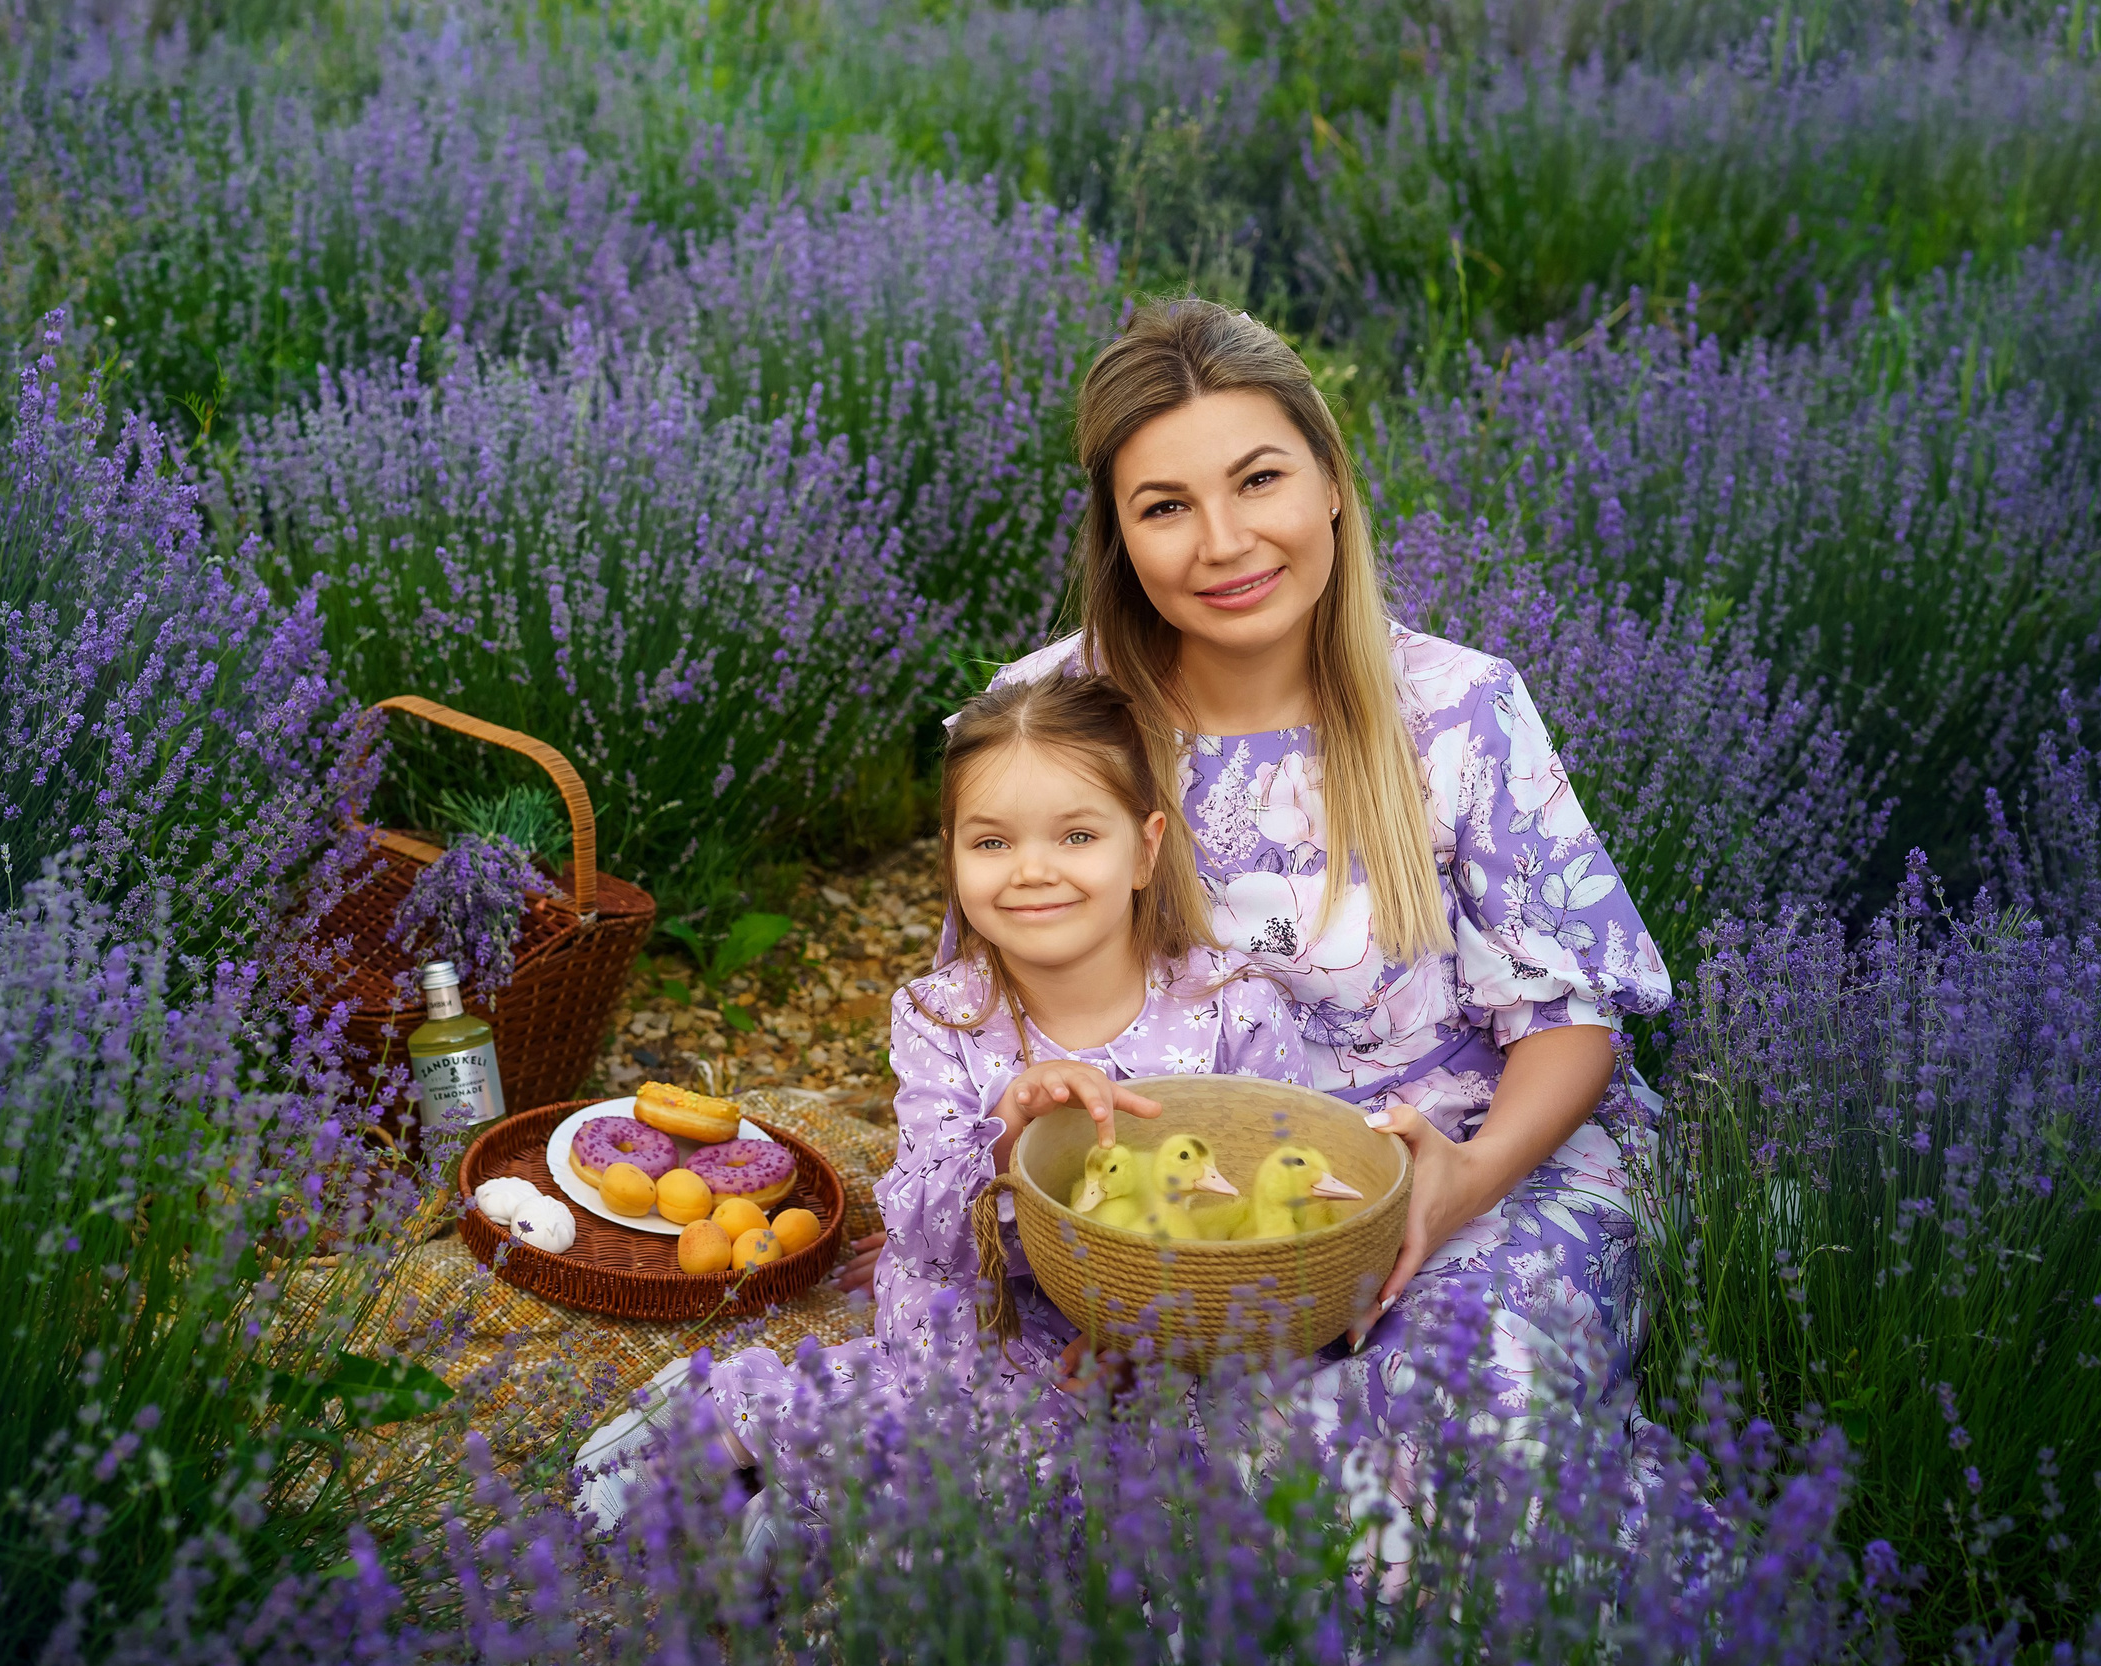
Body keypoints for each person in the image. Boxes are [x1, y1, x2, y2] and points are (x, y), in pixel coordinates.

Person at [836, 297, 1674, 1467]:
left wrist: (1462, 1186)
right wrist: (1098, 1255)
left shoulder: (1455, 710)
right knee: (1140, 1474)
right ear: (1118, 535)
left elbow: (1571, 1016)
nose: (1223, 542)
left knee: (1441, 1430)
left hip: (1468, 1165)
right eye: (1165, 507)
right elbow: (993, 996)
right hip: (1166, 1199)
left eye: (1259, 480)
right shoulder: (1055, 708)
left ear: (1330, 481)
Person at [576, 671, 1307, 1528]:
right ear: (952, 853)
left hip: (1166, 1330)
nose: (1033, 870)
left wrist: (1146, 1343)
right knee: (990, 1438)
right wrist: (1009, 1138)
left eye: (1076, 834)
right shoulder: (945, 1015)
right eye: (991, 842)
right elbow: (929, 1227)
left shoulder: (1232, 1007)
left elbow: (1272, 1217)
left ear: (1145, 849)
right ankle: (744, 1415)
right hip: (986, 1309)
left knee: (1163, 1478)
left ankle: (825, 1486)